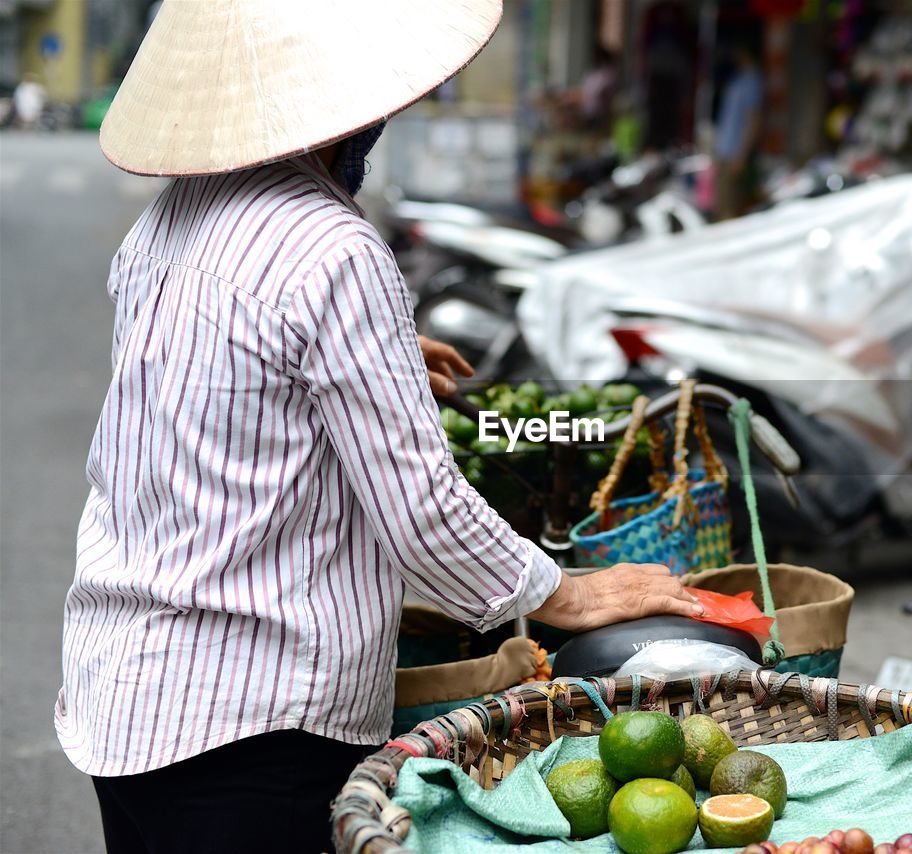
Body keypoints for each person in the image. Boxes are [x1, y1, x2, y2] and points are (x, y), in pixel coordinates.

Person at [56, 2, 703, 852]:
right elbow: (423, 513)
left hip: (126, 696)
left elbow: (222, 393)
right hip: (252, 723)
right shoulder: (333, 251)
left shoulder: (168, 221)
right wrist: (567, 593)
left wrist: (379, 362)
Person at [713, 41, 765, 220]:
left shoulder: (752, 80)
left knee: (730, 208)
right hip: (725, 150)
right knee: (721, 205)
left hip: (735, 152)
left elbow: (753, 119)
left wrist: (741, 155)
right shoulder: (738, 78)